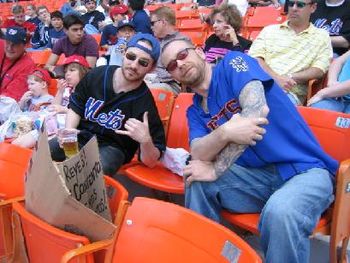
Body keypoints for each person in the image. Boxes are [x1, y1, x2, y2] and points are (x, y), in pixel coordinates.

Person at [161, 38, 337, 263]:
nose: (180, 64)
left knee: (280, 212)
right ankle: (204, 255)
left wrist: (216, 168)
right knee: (195, 177)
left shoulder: (233, 63)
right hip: (256, 178)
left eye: (183, 55)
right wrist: (225, 132)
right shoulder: (194, 110)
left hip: (306, 170)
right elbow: (198, 152)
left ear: (200, 52)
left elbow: (256, 112)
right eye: (172, 66)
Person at [49, 33, 166, 177]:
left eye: (143, 62)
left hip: (113, 148)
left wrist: (146, 140)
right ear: (123, 53)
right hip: (82, 136)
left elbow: (151, 161)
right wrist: (68, 131)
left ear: (152, 68)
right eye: (131, 56)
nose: (134, 65)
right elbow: (76, 106)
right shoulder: (97, 75)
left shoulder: (145, 104)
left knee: (96, 170)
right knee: (47, 150)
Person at [249, 0, 332, 106]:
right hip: (258, 84)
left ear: (313, 8)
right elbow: (255, 58)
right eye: (291, 4)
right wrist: (276, 78)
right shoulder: (270, 30)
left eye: (300, 5)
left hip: (289, 92)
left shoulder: (321, 36)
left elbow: (319, 69)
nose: (294, 8)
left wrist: (290, 77)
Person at [0, 27, 36, 101]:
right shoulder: (2, 46)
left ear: (25, 46)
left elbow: (9, 98)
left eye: (15, 44)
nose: (9, 48)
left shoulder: (28, 66)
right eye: (8, 42)